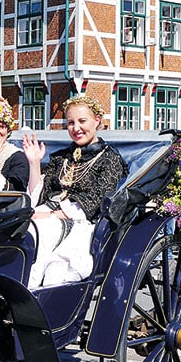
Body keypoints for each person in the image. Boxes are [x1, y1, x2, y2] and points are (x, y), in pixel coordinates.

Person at [21, 95, 127, 287]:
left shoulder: (110, 160)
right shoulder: (61, 157)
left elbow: (96, 200)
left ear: (97, 121)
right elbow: (40, 196)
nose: (76, 128)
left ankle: (29, 288)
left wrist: (51, 215)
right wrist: (34, 162)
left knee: (38, 231)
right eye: (71, 123)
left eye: (82, 121)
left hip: (80, 223)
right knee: (20, 228)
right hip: (46, 214)